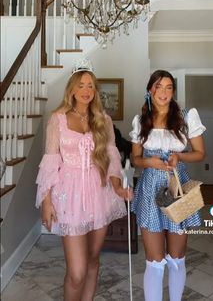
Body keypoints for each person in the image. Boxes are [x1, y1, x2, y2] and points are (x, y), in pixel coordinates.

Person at [35, 59, 131, 301]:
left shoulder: (103, 120)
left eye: (90, 86)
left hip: (98, 193)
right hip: (69, 196)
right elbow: (50, 161)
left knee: (92, 259)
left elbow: (111, 157)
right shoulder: (57, 119)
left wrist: (118, 187)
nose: (86, 91)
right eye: (81, 85)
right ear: (72, 89)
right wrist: (46, 201)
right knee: (76, 272)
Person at [129, 69, 206, 301]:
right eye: (158, 87)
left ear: (173, 91)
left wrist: (179, 157)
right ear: (149, 90)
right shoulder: (141, 120)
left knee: (177, 257)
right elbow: (135, 159)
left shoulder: (186, 116)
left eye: (168, 87)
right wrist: (149, 161)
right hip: (150, 189)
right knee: (154, 262)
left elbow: (200, 153)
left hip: (177, 187)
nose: (163, 92)